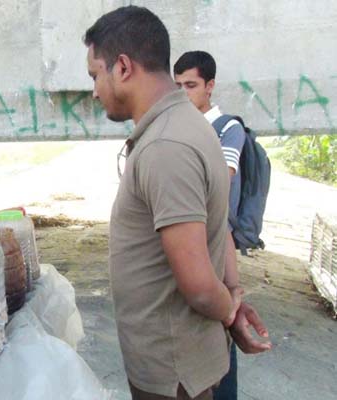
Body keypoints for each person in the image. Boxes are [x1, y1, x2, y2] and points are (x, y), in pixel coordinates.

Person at [84, 6, 238, 399]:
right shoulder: (185, 123)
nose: (94, 89)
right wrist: (234, 292)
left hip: (173, 374)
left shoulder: (166, 146)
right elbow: (217, 231)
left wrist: (230, 309)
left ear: (122, 67)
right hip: (179, 364)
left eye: (95, 75)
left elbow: (201, 287)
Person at [174, 50, 272, 400]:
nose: (183, 93)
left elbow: (221, 180)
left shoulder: (227, 129)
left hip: (217, 243)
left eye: (191, 85)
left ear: (210, 86)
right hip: (191, 242)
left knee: (222, 328)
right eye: (178, 86)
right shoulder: (181, 129)